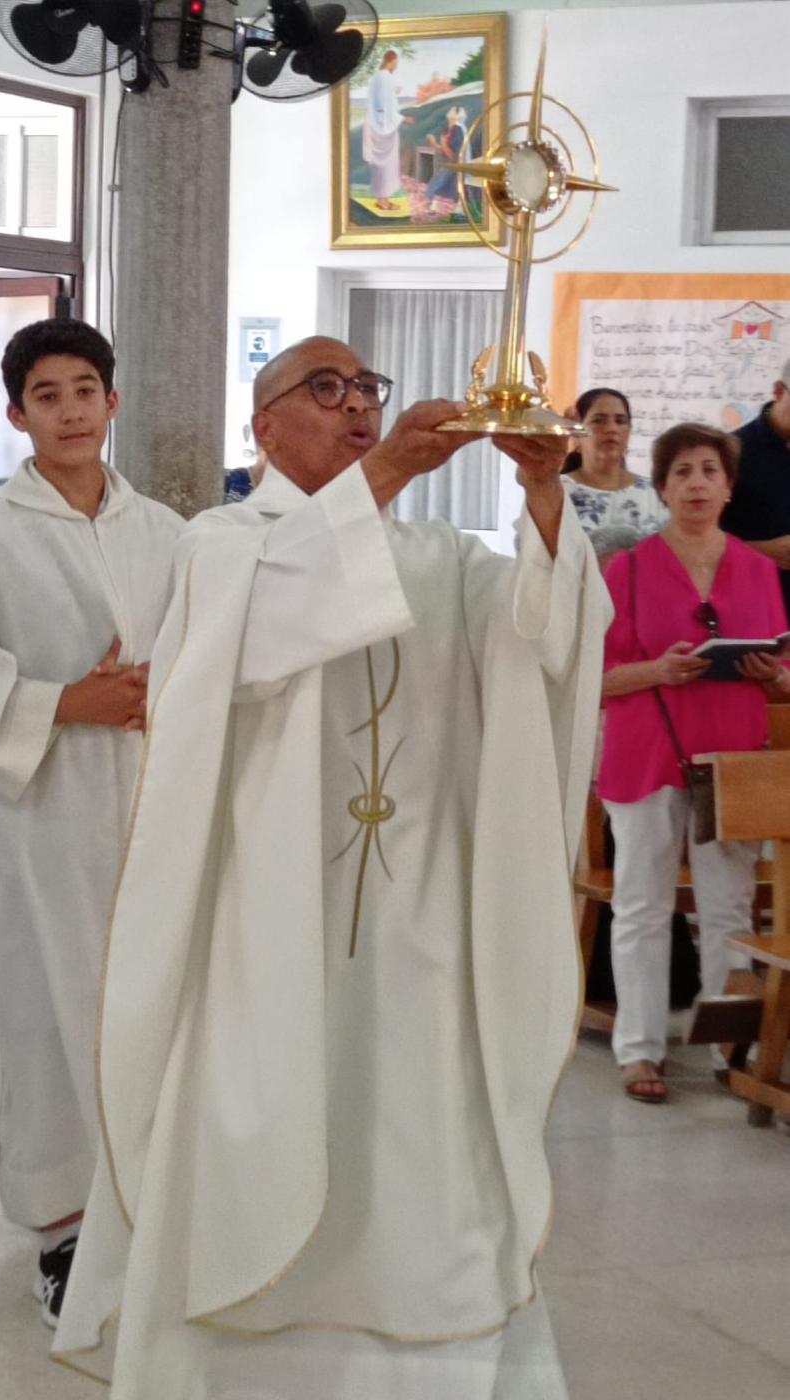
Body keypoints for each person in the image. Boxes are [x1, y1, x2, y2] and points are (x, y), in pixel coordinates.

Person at [52, 336, 610, 1398]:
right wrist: (388, 468)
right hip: (267, 915)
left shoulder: (440, 558)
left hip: (420, 918)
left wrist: (544, 498)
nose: (356, 404)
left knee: (419, 1138)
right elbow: (260, 636)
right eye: (325, 388)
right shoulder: (222, 545)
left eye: (366, 389)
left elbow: (542, 641)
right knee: (265, 1108)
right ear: (262, 426)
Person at [0, 318, 183, 1325]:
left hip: (150, 801)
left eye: (84, 390)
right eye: (46, 395)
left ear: (113, 401)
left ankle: (141, 1199)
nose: (70, 411)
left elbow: (203, 651)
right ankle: (63, 1229)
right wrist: (70, 700)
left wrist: (159, 689)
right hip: (36, 808)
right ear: (16, 414)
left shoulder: (167, 532)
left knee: (145, 1001)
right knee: (48, 1002)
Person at [598, 422, 790, 1104]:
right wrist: (657, 669)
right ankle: (638, 1050)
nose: (696, 484)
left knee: (727, 905)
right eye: (680, 472)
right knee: (642, 904)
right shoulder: (626, 569)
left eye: (709, 470)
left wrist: (772, 673)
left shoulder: (759, 571)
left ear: (729, 486)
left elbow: (782, 673)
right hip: (645, 749)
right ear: (661, 488)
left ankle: (726, 1047)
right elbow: (594, 679)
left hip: (730, 756)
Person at [722, 356, 790, 619]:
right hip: (751, 611)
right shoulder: (731, 451)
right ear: (778, 391)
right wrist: (760, 551)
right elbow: (695, 538)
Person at [561, 387, 667, 536]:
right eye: (599, 420)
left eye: (620, 421)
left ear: (629, 431)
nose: (612, 428)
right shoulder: (557, 492)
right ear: (577, 433)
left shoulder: (654, 494)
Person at [362, 50, 409, 212]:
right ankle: (384, 202)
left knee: (379, 166)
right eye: (396, 63)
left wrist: (393, 93)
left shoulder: (377, 76)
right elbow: (385, 104)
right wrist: (402, 118)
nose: (396, 66)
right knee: (387, 165)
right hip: (384, 127)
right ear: (391, 61)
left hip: (376, 124)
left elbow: (380, 100)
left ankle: (381, 199)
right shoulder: (386, 77)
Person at [424, 104, 468, 210]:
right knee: (442, 186)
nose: (450, 112)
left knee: (436, 184)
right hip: (451, 164)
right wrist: (434, 143)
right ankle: (433, 205)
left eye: (453, 111)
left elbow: (454, 156)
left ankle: (429, 204)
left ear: (456, 115)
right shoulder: (450, 129)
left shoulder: (457, 129)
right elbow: (444, 151)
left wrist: (440, 143)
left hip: (454, 164)